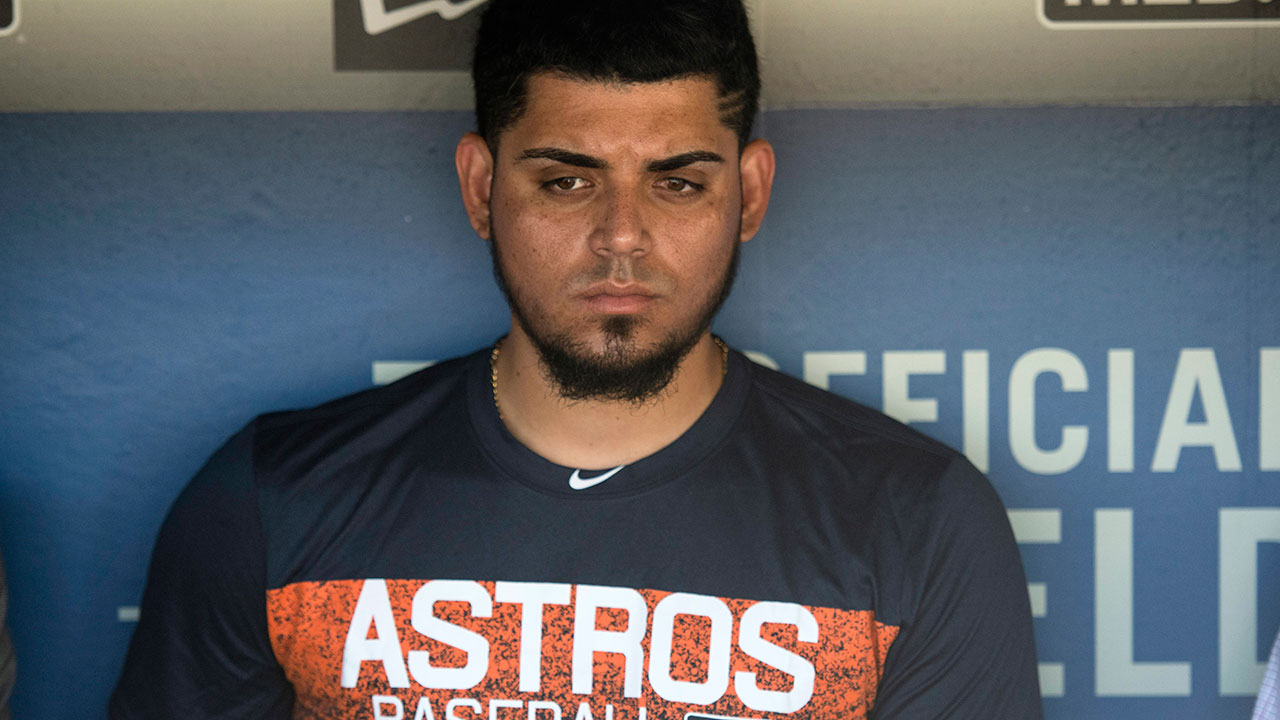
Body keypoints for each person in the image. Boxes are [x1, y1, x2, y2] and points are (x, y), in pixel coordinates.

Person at [111, 1, 1043, 718]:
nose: (621, 239)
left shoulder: (916, 520)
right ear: (482, 188)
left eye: (677, 183)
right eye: (566, 181)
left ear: (749, 194)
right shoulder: (273, 500)